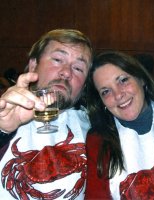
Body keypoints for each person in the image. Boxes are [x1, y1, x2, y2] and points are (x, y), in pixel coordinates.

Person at [85, 51, 154, 199]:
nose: (118, 95)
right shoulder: (97, 142)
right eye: (106, 91)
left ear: (142, 79)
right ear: (102, 102)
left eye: (123, 80)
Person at [0, 29, 93, 199]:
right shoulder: (3, 110)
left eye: (78, 68)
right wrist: (2, 131)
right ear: (34, 65)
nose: (66, 72)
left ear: (85, 85)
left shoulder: (97, 129)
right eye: (58, 60)